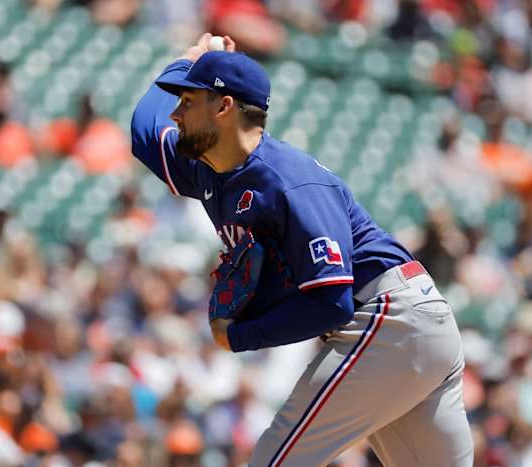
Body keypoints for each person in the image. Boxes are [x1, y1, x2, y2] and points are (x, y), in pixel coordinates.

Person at [130, 33, 474, 466]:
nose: (176, 113)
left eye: (188, 101)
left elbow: (332, 302)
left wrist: (237, 336)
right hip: (406, 330)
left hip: (390, 319)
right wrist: (190, 60)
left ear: (223, 107)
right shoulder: (209, 169)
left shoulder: (289, 181)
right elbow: (144, 131)